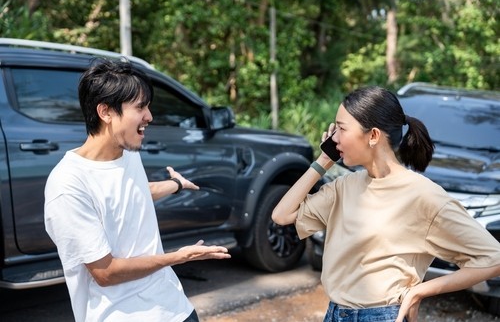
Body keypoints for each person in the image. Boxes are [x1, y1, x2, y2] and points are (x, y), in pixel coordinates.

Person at [272, 86, 500, 322]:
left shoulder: (424, 196)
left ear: (373, 136)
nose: (334, 138)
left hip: (384, 316)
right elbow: (281, 215)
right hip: (334, 314)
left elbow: (494, 259)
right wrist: (324, 160)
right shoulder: (344, 186)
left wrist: (420, 290)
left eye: (341, 129)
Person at [44, 58, 231, 322]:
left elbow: (131, 193)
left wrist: (176, 184)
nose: (149, 117)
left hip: (175, 308)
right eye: (141, 107)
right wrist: (177, 257)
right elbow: (105, 272)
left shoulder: (127, 151)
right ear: (106, 112)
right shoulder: (68, 185)